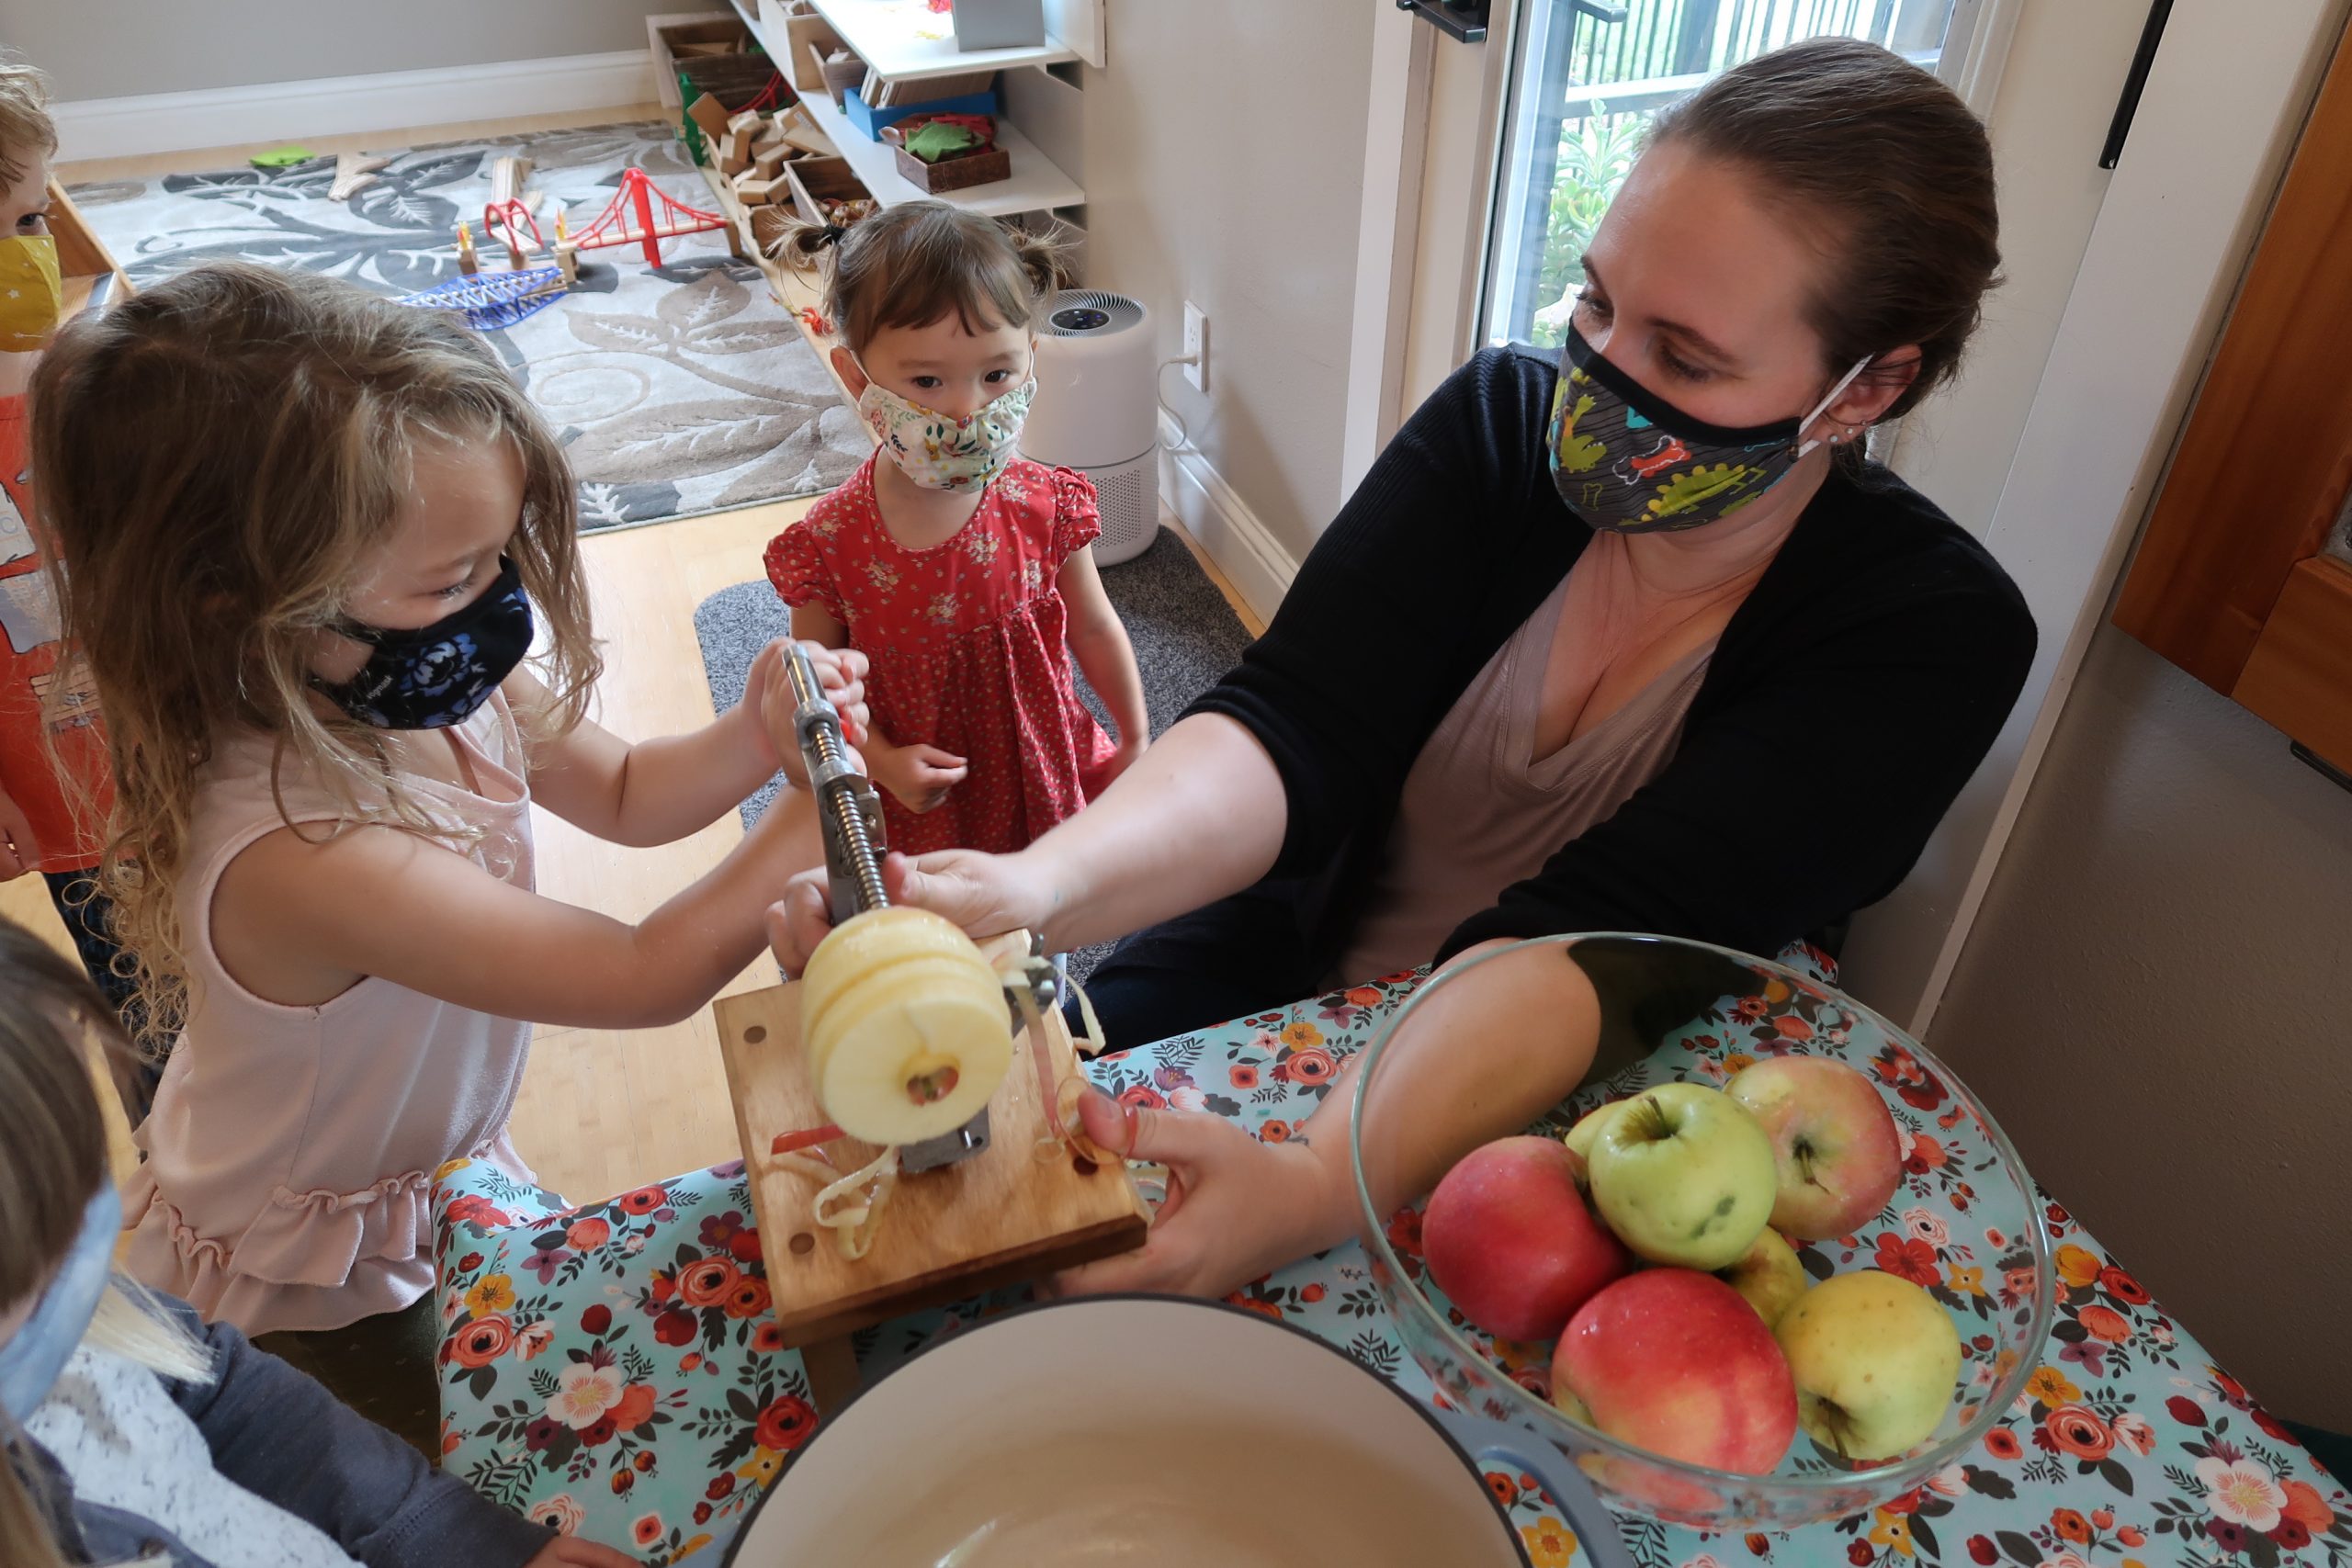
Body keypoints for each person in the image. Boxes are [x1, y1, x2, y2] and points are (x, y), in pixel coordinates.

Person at [770, 40, 2037, 1299]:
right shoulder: (1499, 426)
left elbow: (1604, 947)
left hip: (1597, 1106)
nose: (1598, 374)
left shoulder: (1928, 632)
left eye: (1686, 358)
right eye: (1596, 304)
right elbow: (1293, 721)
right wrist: (1036, 884)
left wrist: (1326, 1179)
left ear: (1866, 388)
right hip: (1284, 950)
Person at [33, 263, 868, 1450]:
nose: (495, 600)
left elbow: (631, 791)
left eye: (496, 558)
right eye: (451, 576)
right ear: (239, 600)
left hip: (426, 1172)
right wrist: (821, 802)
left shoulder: (428, 667)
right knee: (440, 1482)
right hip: (312, 1275)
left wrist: (761, 734)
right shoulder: (298, 849)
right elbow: (641, 970)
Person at [0, 915, 637, 1568]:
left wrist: (449, 1533)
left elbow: (224, 1395)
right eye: (31, 1272)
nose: (86, 1249)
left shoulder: (76, 1335)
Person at [764, 201, 1148, 857]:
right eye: (927, 380)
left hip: (1035, 765)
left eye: (997, 375)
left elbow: (1092, 624)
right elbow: (817, 695)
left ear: (1032, 356)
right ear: (856, 378)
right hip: (917, 805)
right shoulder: (831, 543)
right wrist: (881, 761)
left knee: (1039, 915)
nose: (968, 411)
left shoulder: (1044, 503)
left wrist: (1135, 737)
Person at [0, 57, 140, 1076]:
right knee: (150, 1017)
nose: (26, 264)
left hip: (189, 749)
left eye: (31, 223)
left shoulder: (89, 384)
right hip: (66, 797)